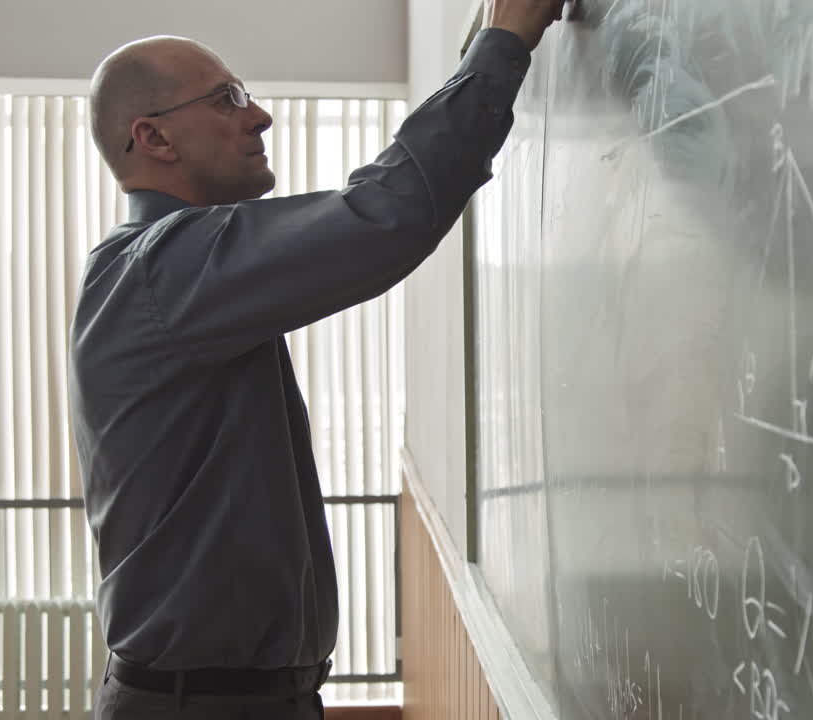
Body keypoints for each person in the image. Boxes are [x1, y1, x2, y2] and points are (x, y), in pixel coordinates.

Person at [68, 0, 566, 718]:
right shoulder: (162, 270)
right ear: (154, 138)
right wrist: (504, 40)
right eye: (227, 99)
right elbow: (384, 214)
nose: (259, 116)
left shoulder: (169, 276)